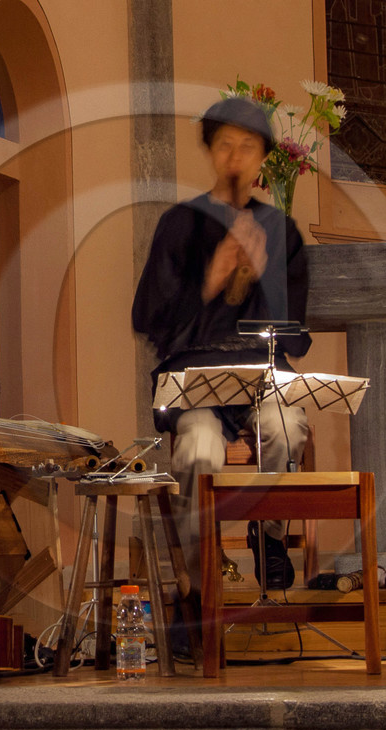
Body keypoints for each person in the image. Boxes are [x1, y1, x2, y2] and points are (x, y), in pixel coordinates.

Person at [132, 96, 311, 595]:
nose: (235, 159)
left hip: (262, 370)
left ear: (260, 161)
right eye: (226, 146)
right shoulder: (179, 224)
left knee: (287, 426)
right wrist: (210, 280)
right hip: (195, 376)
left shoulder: (282, 232)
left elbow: (295, 333)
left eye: (247, 148)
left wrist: (266, 275)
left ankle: (269, 537)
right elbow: (149, 318)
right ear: (211, 152)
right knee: (199, 448)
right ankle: (200, 577)